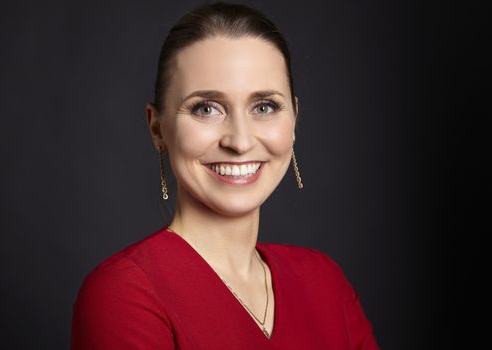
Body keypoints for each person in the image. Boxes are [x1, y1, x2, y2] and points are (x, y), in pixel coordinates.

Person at [70, 1, 380, 349]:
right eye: (207, 108)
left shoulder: (324, 281)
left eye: (264, 107)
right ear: (157, 127)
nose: (240, 141)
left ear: (293, 118)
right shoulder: (124, 293)